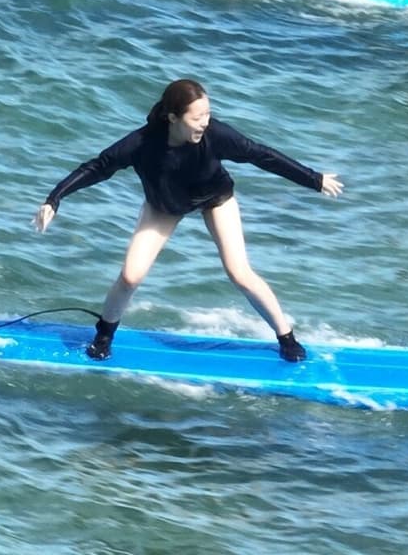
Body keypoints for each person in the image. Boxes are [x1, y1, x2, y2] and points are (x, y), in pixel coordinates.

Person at [32, 78, 343, 363]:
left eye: (208, 114)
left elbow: (260, 154)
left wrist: (313, 179)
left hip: (215, 197)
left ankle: (286, 338)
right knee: (130, 277)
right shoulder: (141, 144)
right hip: (164, 204)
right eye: (197, 118)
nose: (205, 122)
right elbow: (98, 166)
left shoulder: (216, 135)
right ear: (173, 118)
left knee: (239, 272)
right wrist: (54, 198)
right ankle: (103, 336)